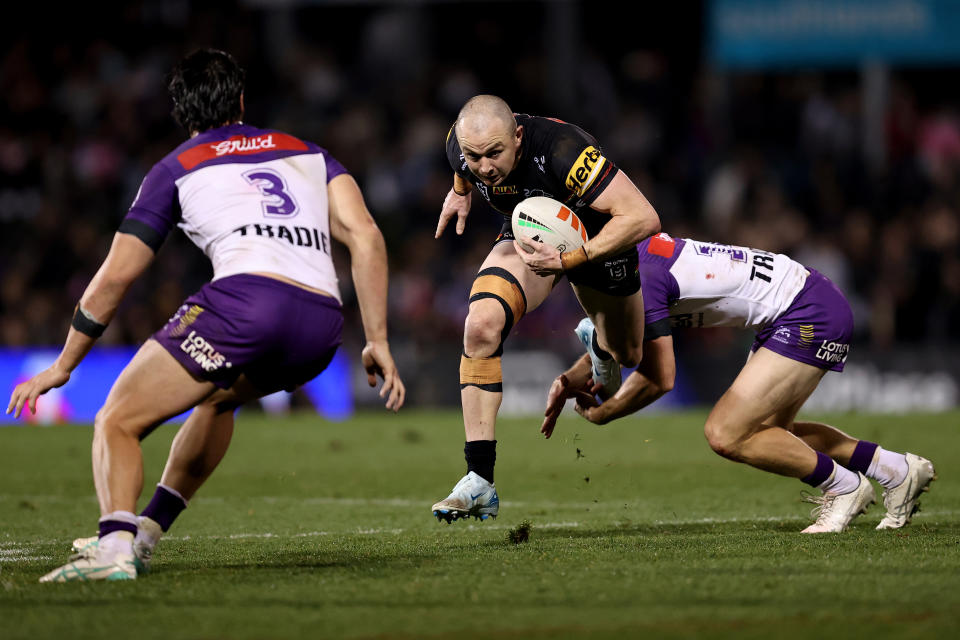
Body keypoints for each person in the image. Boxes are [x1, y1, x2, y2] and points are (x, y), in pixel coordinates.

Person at [6, 49, 405, 582]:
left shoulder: (176, 166)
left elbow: (115, 278)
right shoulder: (308, 153)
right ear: (241, 101)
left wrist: (63, 365)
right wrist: (376, 336)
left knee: (117, 421)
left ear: (183, 115)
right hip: (321, 323)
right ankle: (147, 531)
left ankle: (114, 548)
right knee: (217, 399)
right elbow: (366, 236)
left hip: (247, 305)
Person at [542, 232, 936, 533]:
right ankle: (896, 471)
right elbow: (618, 339)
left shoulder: (639, 277)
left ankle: (844, 487)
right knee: (772, 434)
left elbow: (660, 378)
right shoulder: (631, 259)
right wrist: (570, 378)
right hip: (804, 302)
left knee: (725, 432)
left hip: (807, 313)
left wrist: (606, 412)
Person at [431, 95, 661, 522]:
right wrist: (459, 192)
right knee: (481, 325)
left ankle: (601, 346)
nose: (484, 167)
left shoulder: (563, 151)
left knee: (629, 354)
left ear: (517, 137)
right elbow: (465, 168)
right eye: (473, 157)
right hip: (531, 233)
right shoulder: (460, 147)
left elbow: (644, 218)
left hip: (597, 239)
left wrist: (571, 259)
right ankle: (479, 478)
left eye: (495, 153)